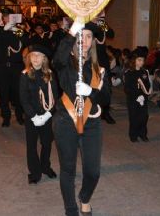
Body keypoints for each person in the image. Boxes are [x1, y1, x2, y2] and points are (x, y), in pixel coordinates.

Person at [53, 20, 107, 216]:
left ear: (93, 41)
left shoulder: (98, 69)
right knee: (68, 169)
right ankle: (71, 210)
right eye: (80, 36)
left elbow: (107, 96)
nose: (83, 40)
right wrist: (70, 33)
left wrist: (91, 92)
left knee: (93, 171)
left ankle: (85, 197)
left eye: (88, 36)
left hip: (91, 123)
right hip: (65, 121)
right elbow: (56, 59)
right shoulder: (65, 62)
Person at [19, 44, 58, 184]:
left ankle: (45, 167)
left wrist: (47, 115)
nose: (35, 58)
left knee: (47, 143)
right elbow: (23, 99)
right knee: (31, 145)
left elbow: (55, 97)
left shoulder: (50, 74)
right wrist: (34, 117)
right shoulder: (25, 75)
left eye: (39, 55)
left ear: (44, 59)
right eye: (33, 55)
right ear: (29, 58)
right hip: (32, 117)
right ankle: (35, 172)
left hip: (46, 115)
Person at [0, 9, 29, 127]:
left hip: (16, 66)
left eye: (11, 17)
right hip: (2, 66)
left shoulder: (19, 30)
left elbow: (26, 41)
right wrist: (4, 29)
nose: (9, 19)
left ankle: (19, 115)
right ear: (3, 18)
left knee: (17, 92)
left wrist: (16, 29)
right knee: (4, 93)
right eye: (6, 17)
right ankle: (6, 117)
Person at [124, 47, 152, 142]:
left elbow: (147, 85)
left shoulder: (144, 72)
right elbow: (128, 88)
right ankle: (133, 135)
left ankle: (143, 134)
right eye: (139, 60)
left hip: (143, 99)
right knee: (134, 118)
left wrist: (144, 96)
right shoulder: (129, 73)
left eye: (143, 60)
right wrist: (137, 96)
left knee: (144, 117)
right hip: (133, 100)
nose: (141, 62)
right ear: (134, 60)